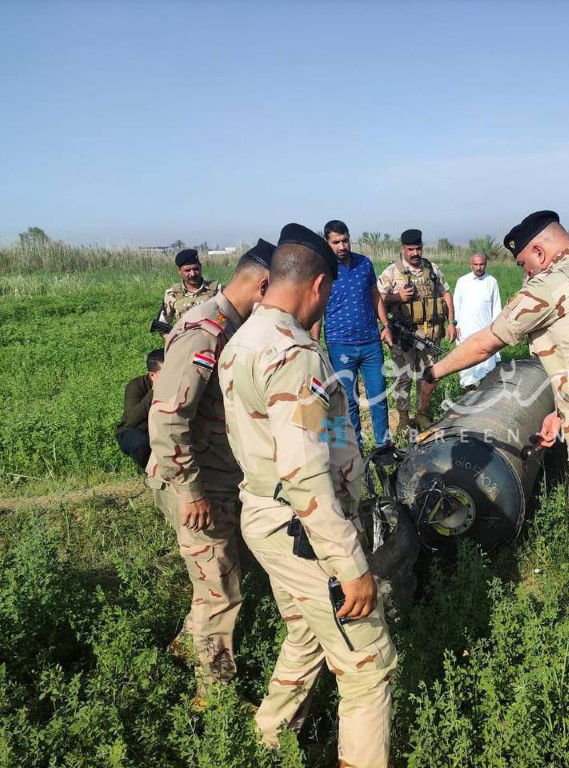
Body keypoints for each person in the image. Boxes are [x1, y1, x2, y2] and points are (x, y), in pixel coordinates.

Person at [420, 210, 569, 700]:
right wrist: (562, 410)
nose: (527, 273)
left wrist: (432, 374)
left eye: (526, 264)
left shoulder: (552, 280)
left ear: (538, 250)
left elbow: (488, 340)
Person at [219, 223, 396, 765]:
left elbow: (322, 432)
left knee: (305, 633)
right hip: (301, 528)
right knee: (369, 664)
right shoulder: (295, 353)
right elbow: (303, 471)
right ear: (318, 286)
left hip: (263, 515)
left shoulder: (240, 340)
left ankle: (268, 737)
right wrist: (349, 563)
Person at [146, 238, 274, 704]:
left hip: (217, 479)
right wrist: (192, 492)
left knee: (212, 578)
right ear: (263, 285)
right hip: (197, 484)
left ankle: (183, 650)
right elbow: (167, 418)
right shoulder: (206, 330)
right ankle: (213, 696)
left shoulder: (232, 326)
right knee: (221, 590)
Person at [310, 220, 393, 450]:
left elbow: (375, 296)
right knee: (347, 403)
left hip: (371, 344)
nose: (342, 246)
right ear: (327, 243)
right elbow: (317, 309)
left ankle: (383, 447)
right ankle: (353, 451)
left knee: (378, 397)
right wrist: (315, 342)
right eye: (336, 242)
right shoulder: (322, 271)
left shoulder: (364, 264)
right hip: (340, 346)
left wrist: (385, 325)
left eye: (345, 240)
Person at [377, 228, 455, 432]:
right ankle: (403, 419)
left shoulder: (432, 269)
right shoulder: (392, 272)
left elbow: (446, 293)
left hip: (430, 335)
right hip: (404, 336)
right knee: (403, 378)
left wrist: (452, 322)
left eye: (418, 248)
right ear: (402, 248)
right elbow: (377, 299)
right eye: (410, 249)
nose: (415, 253)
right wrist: (397, 297)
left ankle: (422, 414)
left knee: (428, 376)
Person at [452, 252, 502, 389]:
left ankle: (485, 390)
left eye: (481, 264)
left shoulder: (492, 282)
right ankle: (467, 391)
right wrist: (455, 325)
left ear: (485, 264)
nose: (479, 267)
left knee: (485, 362)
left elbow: (496, 307)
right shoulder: (462, 281)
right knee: (466, 361)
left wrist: (496, 329)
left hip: (485, 329)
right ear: (471, 265)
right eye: (476, 264)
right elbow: (455, 304)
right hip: (465, 329)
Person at [114, 349, 164, 471]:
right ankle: (152, 473)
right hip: (133, 430)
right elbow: (131, 419)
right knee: (140, 443)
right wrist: (155, 391)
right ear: (153, 375)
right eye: (167, 372)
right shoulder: (136, 385)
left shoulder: (177, 384)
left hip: (162, 429)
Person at [155, 248, 223, 329]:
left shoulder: (217, 290)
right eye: (187, 270)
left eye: (195, 269)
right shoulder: (172, 294)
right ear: (179, 271)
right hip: (184, 339)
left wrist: (217, 329)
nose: (192, 274)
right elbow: (161, 325)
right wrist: (172, 339)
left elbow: (226, 317)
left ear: (200, 267)